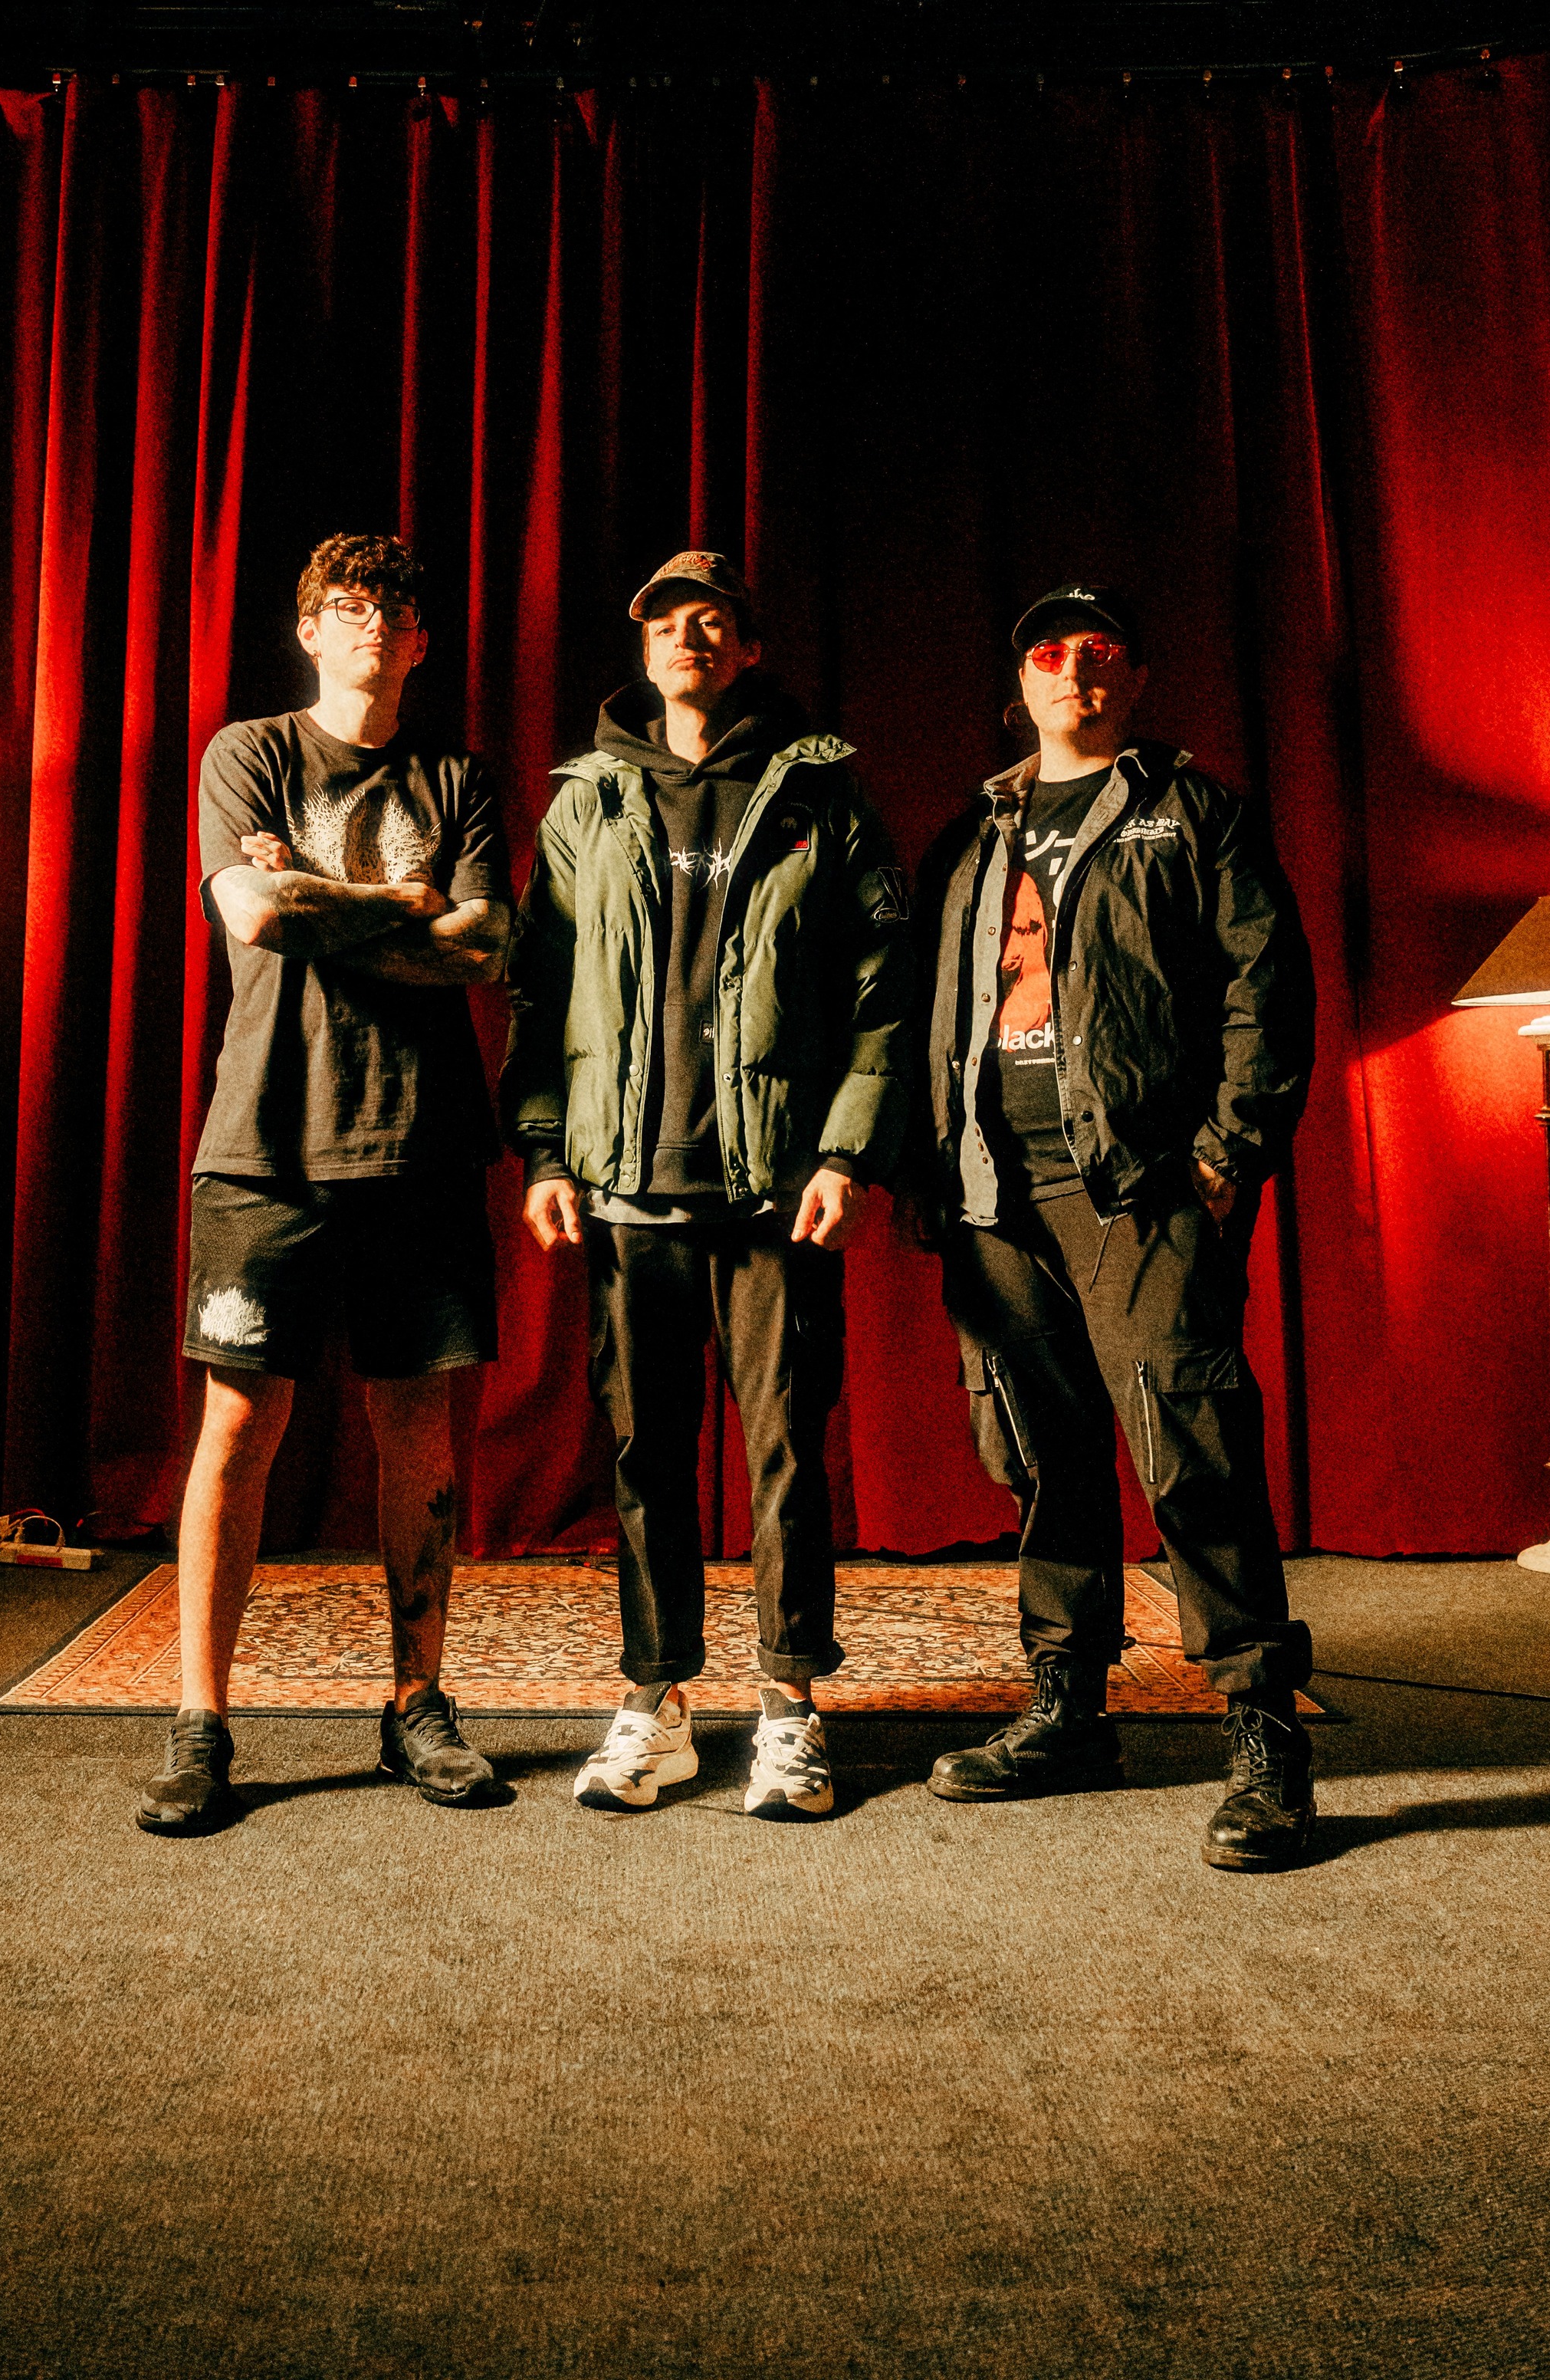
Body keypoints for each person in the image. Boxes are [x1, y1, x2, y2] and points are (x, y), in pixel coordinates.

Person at [896, 583, 1319, 1868]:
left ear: (1135, 678)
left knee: (1190, 1442)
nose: (1074, 667)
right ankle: (1069, 1709)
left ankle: (1264, 1733)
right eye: (1049, 650)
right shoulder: (973, 832)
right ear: (1019, 681)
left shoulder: (1193, 813)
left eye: (1101, 650)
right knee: (1041, 1451)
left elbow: (1265, 984)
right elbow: (927, 1003)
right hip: (993, 1182)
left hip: (1135, 1183)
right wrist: (926, 1166)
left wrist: (1227, 1152)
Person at [500, 551, 911, 1821]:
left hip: (775, 1190)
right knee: (645, 1456)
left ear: (748, 648)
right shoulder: (588, 800)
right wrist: (546, 1150)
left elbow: (882, 988)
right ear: (643, 652)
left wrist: (844, 1151)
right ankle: (656, 1704)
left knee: (785, 1453)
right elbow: (540, 987)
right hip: (627, 1191)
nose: (691, 636)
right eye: (669, 622)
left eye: (715, 619)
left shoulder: (818, 793)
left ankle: (790, 1707)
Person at [136, 532, 513, 1836]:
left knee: (418, 1430)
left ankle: (418, 1705)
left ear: (422, 643)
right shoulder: (247, 753)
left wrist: (317, 896)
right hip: (266, 1144)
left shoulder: (457, 778)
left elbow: (485, 946)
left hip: (420, 1146)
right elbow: (251, 915)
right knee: (239, 1428)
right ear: (309, 631)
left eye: (393, 613)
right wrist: (405, 904)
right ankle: (201, 1722)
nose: (371, 628)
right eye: (347, 608)